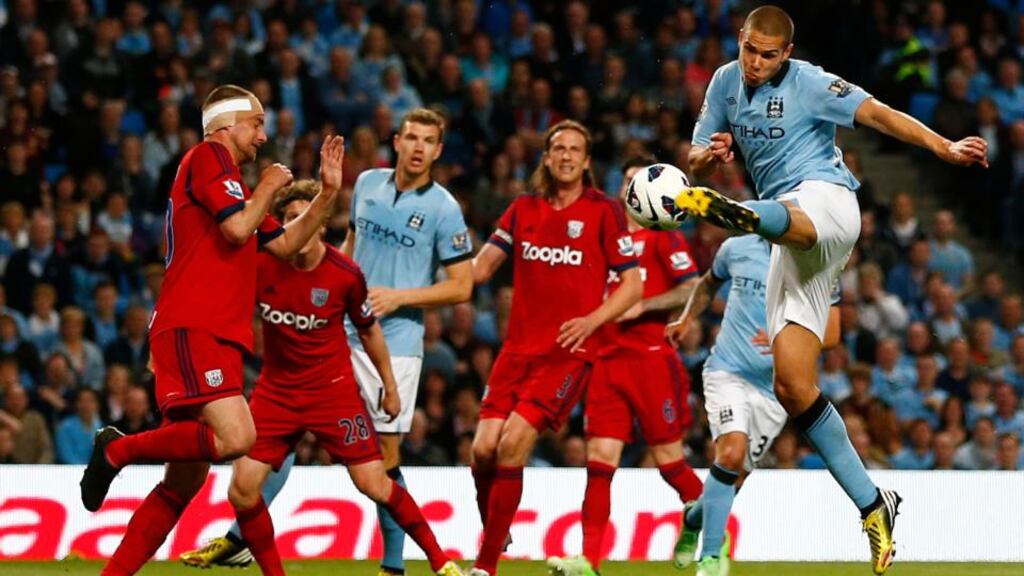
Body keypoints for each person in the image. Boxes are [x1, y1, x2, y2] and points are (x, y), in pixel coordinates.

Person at [674, 6, 987, 574]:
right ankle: (875, 503)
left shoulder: (813, 82)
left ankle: (742, 214)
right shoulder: (724, 82)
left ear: (787, 53)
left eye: (770, 55)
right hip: (790, 246)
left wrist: (942, 147)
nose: (756, 63)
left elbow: (879, 114)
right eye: (750, 49)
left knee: (793, 214)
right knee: (793, 386)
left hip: (827, 203)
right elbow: (693, 156)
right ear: (739, 40)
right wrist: (706, 155)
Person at [182, 108, 473, 576]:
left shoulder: (444, 207)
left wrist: (395, 298)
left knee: (381, 467)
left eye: (428, 140)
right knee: (257, 472)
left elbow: (463, 287)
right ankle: (242, 541)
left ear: (438, 150)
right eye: (411, 137)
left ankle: (401, 565)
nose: (418, 147)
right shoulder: (369, 189)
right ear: (396, 141)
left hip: (391, 341)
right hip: (315, 349)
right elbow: (349, 245)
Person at [78, 84, 345, 576]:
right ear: (227, 125)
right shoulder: (208, 157)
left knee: (182, 485)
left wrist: (326, 194)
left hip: (202, 330)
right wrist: (269, 186)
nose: (263, 136)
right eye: (257, 124)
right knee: (239, 436)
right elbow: (239, 231)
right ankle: (117, 448)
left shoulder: (232, 190)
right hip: (194, 325)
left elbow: (284, 246)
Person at [469, 119, 642, 576]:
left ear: (586, 161)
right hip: (516, 351)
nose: (565, 156)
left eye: (575, 150)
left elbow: (632, 285)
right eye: (558, 148)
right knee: (482, 450)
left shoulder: (604, 211)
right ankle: (494, 524)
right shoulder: (522, 208)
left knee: (511, 444)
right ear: (546, 157)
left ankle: (485, 566)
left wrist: (592, 320)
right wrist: (432, 277)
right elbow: (481, 268)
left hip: (567, 354)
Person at [546, 157, 703, 576]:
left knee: (669, 460)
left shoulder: (663, 238)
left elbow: (691, 287)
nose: (634, 189)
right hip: (605, 363)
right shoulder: (601, 239)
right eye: (628, 182)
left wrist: (643, 305)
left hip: (650, 360)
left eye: (640, 182)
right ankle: (589, 562)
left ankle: (706, 530)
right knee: (599, 463)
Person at [667, 233, 840, 576]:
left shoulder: (816, 261)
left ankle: (692, 518)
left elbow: (832, 333)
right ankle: (712, 558)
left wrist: (783, 340)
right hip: (727, 372)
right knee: (729, 454)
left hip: (775, 388)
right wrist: (687, 318)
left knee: (733, 479)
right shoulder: (736, 247)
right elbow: (707, 283)